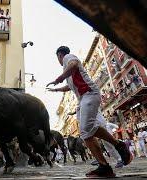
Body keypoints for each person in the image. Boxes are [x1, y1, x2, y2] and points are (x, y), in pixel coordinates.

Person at [46, 46, 132, 177]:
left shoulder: (68, 58)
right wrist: (56, 89)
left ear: (59, 55)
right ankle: (107, 161)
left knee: (86, 131)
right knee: (86, 133)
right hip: (82, 99)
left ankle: (112, 156)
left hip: (89, 94)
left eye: (58, 57)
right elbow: (69, 87)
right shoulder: (67, 70)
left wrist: (59, 78)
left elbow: (74, 65)